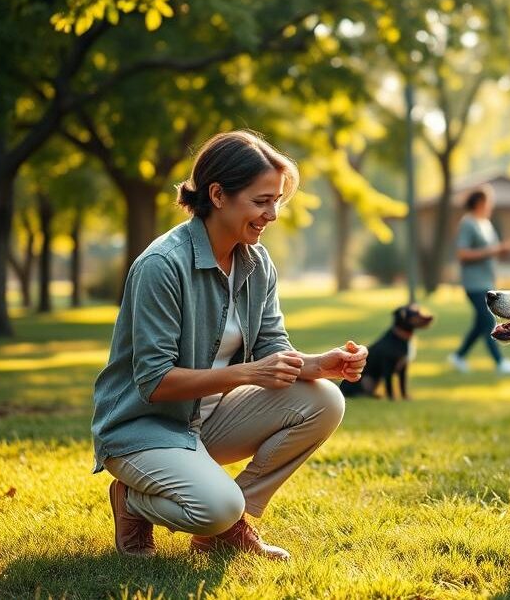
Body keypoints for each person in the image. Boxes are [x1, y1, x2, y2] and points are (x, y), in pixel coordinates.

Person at [91, 130, 368, 559]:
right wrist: (244, 374)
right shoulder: (163, 265)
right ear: (218, 195)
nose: (273, 213)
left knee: (326, 401)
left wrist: (320, 364)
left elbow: (271, 347)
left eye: (276, 200)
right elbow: (153, 382)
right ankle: (133, 501)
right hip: (142, 427)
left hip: (205, 422)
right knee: (216, 506)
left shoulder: (256, 263)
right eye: (261, 201)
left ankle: (225, 526)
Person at [447, 185, 510, 374]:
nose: (491, 205)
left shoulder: (486, 224)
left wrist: (502, 250)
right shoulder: (468, 223)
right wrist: (495, 250)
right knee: (488, 320)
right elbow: (463, 253)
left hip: (487, 281)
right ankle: (500, 363)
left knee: (480, 323)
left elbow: (492, 252)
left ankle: (458, 356)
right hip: (474, 283)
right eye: (489, 201)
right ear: (481, 202)